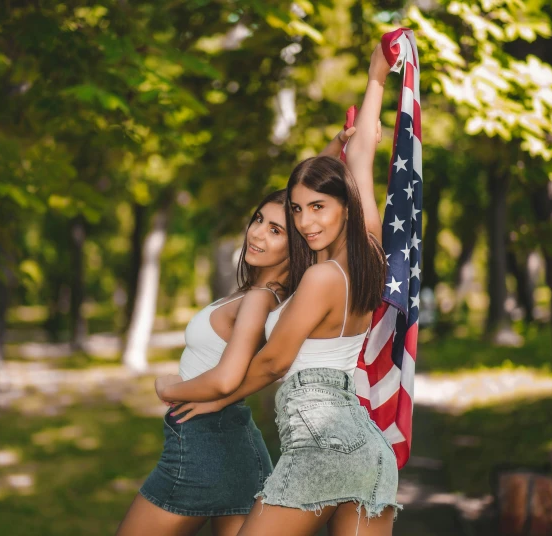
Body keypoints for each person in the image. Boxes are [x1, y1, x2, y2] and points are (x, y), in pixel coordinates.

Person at [170, 43, 398, 536]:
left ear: (344, 207)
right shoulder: (370, 257)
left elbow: (273, 362)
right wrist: (377, 74)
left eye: (318, 207)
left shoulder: (320, 278)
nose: (305, 221)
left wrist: (214, 400)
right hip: (368, 453)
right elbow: (362, 155)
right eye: (296, 209)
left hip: (319, 444)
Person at [115, 129, 357, 536]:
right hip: (234, 445)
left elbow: (227, 377)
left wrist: (166, 389)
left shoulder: (261, 299)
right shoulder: (274, 294)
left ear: (296, 242)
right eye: (259, 220)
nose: (258, 233)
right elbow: (297, 201)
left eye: (276, 231)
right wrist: (332, 151)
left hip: (203, 447)